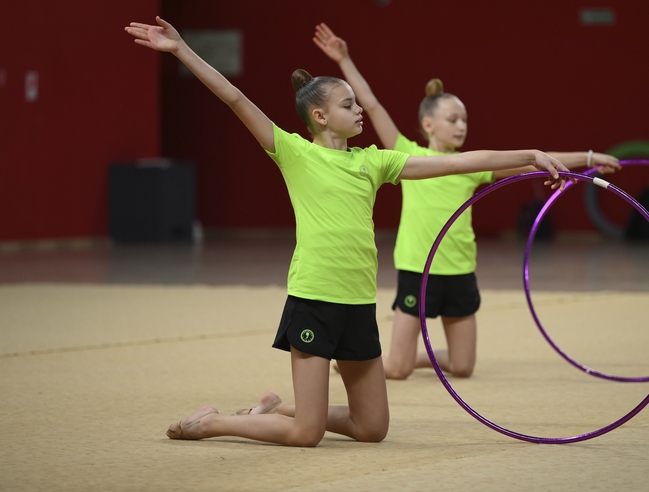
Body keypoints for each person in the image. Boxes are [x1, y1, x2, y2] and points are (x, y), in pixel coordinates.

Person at [125, 17, 569, 447]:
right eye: (349, 105)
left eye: (358, 103)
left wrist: (529, 154)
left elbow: (454, 163)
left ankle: (275, 410)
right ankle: (210, 424)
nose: (360, 111)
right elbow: (236, 98)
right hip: (315, 299)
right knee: (308, 434)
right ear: (319, 115)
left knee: (372, 428)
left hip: (358, 303)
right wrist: (181, 49)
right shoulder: (293, 153)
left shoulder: (373, 161)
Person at [314, 23, 620, 380]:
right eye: (452, 119)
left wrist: (587, 156)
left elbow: (536, 160)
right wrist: (344, 58)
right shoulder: (405, 154)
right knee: (396, 369)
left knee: (463, 366)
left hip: (460, 270)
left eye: (464, 120)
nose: (461, 126)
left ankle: (417, 354)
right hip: (419, 270)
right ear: (428, 124)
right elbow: (372, 102)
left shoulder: (474, 167)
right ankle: (365, 360)